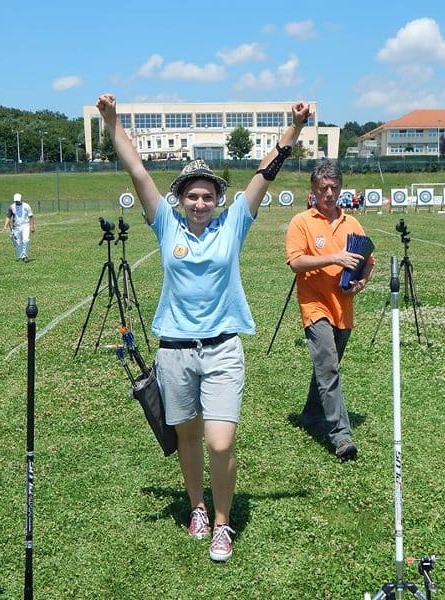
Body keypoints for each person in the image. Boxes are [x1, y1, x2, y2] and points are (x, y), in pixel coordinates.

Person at [96, 92, 310, 562]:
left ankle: (222, 522)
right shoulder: (165, 226)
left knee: (221, 439)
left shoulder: (233, 224)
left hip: (221, 349)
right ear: (181, 199)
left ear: (218, 199)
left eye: (207, 195)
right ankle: (197, 507)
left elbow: (263, 176)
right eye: (191, 195)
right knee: (187, 436)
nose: (199, 202)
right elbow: (137, 170)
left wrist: (292, 130)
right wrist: (112, 122)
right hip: (174, 350)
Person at [285, 159, 376, 461]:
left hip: (344, 308)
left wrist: (360, 283)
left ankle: (311, 415)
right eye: (323, 187)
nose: (328, 193)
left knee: (326, 367)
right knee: (329, 367)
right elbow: (296, 261)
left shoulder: (352, 223)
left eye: (333, 187)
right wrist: (333, 258)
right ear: (313, 189)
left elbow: (369, 262)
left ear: (340, 189)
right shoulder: (302, 222)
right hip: (314, 306)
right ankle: (341, 436)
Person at [3, 193, 35, 261]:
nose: (17, 202)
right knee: (18, 242)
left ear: (21, 199)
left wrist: (32, 226)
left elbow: (30, 216)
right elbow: (8, 217)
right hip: (16, 227)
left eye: (18, 200)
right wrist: (5, 226)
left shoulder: (26, 206)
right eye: (16, 201)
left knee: (26, 240)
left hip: (25, 225)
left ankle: (25, 256)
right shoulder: (12, 207)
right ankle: (20, 257)